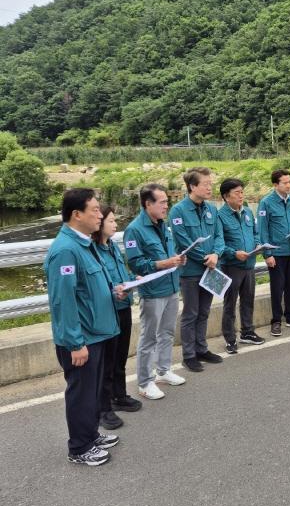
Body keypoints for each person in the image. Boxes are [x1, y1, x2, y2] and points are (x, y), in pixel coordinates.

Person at [44, 189, 121, 466]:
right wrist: (75, 342)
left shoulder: (84, 244)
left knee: (92, 390)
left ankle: (90, 434)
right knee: (81, 392)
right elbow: (62, 302)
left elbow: (86, 289)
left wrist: (112, 292)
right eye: (95, 210)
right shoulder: (66, 250)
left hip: (96, 333)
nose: (100, 215)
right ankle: (79, 447)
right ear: (77, 214)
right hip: (82, 338)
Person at [124, 183, 187, 400]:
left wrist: (177, 260)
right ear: (147, 204)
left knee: (167, 332)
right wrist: (164, 263)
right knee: (149, 337)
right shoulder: (134, 229)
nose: (166, 206)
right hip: (153, 291)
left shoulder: (163, 224)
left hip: (171, 287)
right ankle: (144, 382)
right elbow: (136, 264)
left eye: (167, 203)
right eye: (162, 203)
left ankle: (163, 370)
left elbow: (168, 254)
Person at [169, 167, 225, 370]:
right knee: (191, 313)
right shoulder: (178, 211)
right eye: (206, 184)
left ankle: (202, 349)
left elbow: (220, 235)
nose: (210, 187)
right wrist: (205, 258)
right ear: (192, 186)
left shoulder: (211, 209)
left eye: (211, 183)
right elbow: (183, 242)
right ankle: (189, 354)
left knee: (204, 311)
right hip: (191, 272)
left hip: (210, 268)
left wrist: (216, 254)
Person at [92, 204, 142, 429]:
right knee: (106, 361)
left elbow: (121, 273)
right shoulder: (92, 249)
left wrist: (134, 279)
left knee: (120, 357)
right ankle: (104, 408)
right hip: (107, 310)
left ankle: (119, 395)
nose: (115, 224)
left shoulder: (112, 246)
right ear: (99, 223)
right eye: (111, 221)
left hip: (123, 307)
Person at [257, 169, 290, 336]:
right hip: (276, 253)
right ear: (275, 185)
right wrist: (267, 254)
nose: (289, 185)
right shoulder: (266, 203)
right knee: (277, 287)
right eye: (285, 183)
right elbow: (262, 230)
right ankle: (276, 320)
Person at [218, 178, 265, 353]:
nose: (241, 195)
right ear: (226, 196)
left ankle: (248, 332)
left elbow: (255, 232)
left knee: (248, 300)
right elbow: (219, 243)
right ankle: (230, 338)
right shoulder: (220, 216)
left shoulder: (246, 212)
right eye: (237, 193)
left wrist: (258, 244)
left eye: (242, 192)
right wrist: (234, 253)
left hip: (249, 264)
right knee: (229, 303)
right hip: (231, 266)